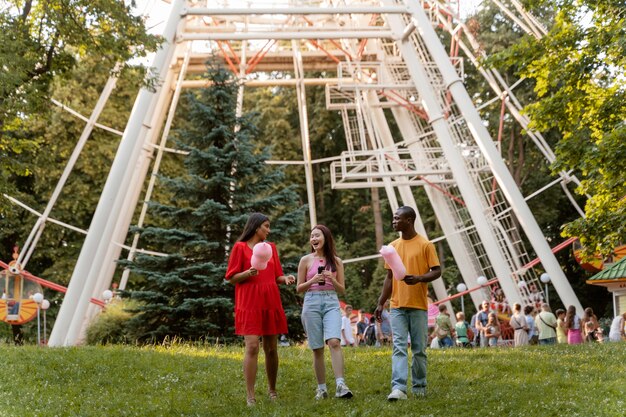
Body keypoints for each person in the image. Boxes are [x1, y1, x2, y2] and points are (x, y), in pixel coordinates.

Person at [225, 213, 295, 406]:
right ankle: (250, 396)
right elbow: (231, 277)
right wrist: (247, 273)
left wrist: (286, 278)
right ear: (256, 227)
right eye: (266, 226)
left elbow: (277, 275)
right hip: (249, 302)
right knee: (253, 346)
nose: (269, 230)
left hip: (270, 300)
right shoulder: (240, 248)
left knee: (271, 348)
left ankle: (272, 390)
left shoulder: (271, 248)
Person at [374, 206, 441, 400]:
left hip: (418, 306)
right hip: (397, 305)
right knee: (399, 346)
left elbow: (437, 270)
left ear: (409, 220)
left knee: (419, 349)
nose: (394, 222)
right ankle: (399, 388)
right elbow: (389, 278)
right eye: (393, 218)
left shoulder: (425, 245)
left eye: (397, 219)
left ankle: (419, 386)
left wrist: (420, 278)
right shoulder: (392, 246)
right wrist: (381, 303)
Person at [297, 224, 353, 400]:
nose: (313, 239)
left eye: (317, 236)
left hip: (331, 301)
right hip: (311, 301)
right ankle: (321, 389)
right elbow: (299, 288)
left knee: (335, 342)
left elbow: (342, 290)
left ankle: (340, 385)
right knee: (317, 348)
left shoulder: (337, 261)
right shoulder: (305, 260)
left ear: (326, 238)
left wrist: (332, 279)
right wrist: (313, 279)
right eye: (312, 236)